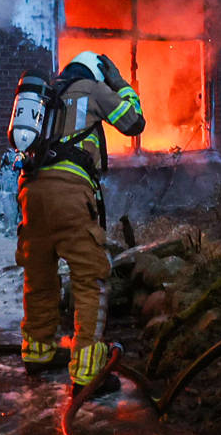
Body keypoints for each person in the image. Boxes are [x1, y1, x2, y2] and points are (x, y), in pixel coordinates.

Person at [8, 50, 144, 393]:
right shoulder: (92, 89)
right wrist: (120, 84)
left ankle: (37, 351)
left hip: (31, 193)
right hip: (69, 194)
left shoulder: (47, 97)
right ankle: (87, 372)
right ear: (95, 73)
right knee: (89, 278)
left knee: (39, 274)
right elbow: (133, 122)